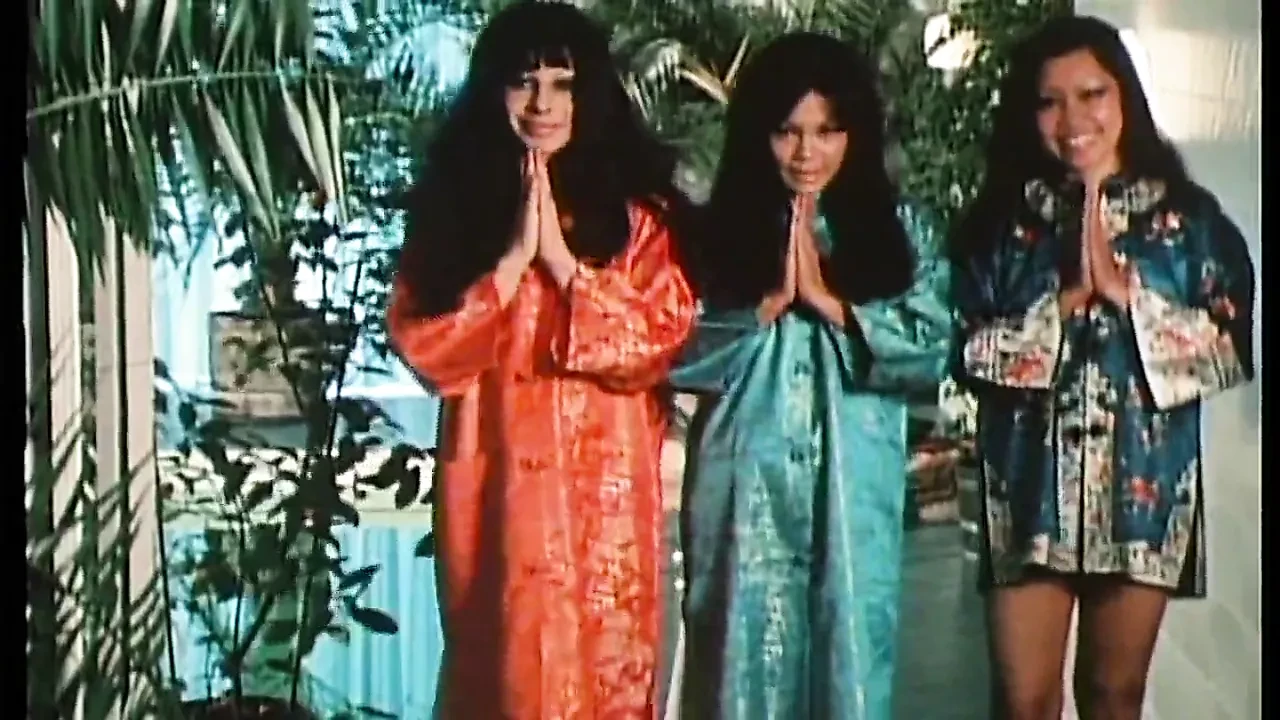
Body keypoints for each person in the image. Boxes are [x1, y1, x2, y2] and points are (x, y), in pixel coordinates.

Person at [386, 2, 696, 717]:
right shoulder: (454, 217)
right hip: (494, 501)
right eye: (524, 83)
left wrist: (562, 265)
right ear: (493, 91)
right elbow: (426, 348)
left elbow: (659, 338)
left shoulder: (640, 222)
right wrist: (507, 267)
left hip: (604, 513)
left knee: (604, 678)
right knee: (505, 676)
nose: (542, 104)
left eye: (563, 84)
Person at [950, 15, 1255, 720]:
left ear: (1125, 98)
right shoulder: (1002, 226)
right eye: (1049, 101)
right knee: (1023, 701)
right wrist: (1058, 307)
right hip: (1027, 488)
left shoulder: (1189, 222)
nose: (1073, 120)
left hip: (1144, 491)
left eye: (1092, 94)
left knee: (1114, 697)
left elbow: (1231, 347)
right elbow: (963, 348)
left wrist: (1130, 298)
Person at [667, 32, 953, 719]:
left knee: (848, 654)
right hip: (742, 488)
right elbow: (671, 354)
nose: (806, 152)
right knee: (738, 664)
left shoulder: (900, 231)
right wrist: (764, 305)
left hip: (854, 487)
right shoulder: (714, 232)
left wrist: (832, 305)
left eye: (827, 131)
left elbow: (934, 347)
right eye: (787, 132)